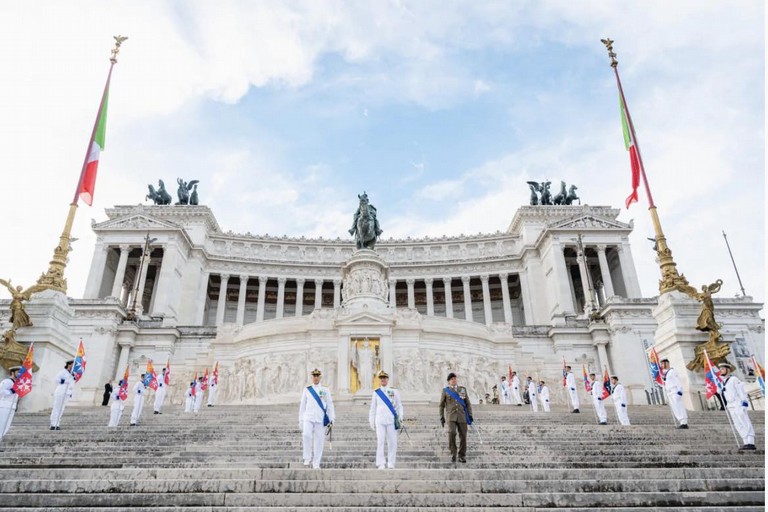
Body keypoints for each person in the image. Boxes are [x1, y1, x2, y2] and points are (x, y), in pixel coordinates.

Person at [299, 368, 335, 469]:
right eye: (314, 376)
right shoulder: (307, 389)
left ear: (320, 377)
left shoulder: (325, 390)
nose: (315, 377)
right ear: (312, 377)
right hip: (308, 417)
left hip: (320, 418)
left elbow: (330, 404)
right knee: (306, 435)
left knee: (319, 441)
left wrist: (332, 418)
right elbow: (302, 405)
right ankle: (307, 457)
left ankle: (316, 463)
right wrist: (300, 419)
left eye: (317, 376)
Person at [369, 370, 403, 469]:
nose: (383, 380)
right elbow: (373, 407)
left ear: (388, 379)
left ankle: (391, 462)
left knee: (392, 442)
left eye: (384, 378)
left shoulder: (394, 391)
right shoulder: (376, 392)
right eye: (381, 378)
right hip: (379, 420)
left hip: (391, 420)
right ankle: (381, 463)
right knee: (380, 441)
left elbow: (399, 405)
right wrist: (371, 420)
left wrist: (400, 417)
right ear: (379, 380)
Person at [719, 362, 756, 450]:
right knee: (737, 424)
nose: (721, 370)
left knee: (744, 421)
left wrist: (744, 403)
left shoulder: (734, 379)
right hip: (730, 405)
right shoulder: (723, 381)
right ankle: (745, 442)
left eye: (723, 369)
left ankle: (751, 442)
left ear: (728, 370)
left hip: (738, 403)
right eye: (720, 369)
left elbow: (741, 391)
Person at [438, 372, 473, 463]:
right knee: (452, 433)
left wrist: (470, 414)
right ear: (449, 381)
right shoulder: (446, 391)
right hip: (451, 416)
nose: (454, 380)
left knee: (463, 436)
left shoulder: (462, 389)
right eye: (452, 379)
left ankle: (462, 455)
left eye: (455, 378)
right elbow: (441, 405)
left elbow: (467, 403)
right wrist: (441, 416)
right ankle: (453, 453)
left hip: (462, 416)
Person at [660, 358, 688, 429]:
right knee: (675, 407)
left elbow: (677, 381)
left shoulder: (672, 371)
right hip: (669, 392)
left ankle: (684, 422)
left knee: (679, 406)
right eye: (661, 364)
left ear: (667, 363)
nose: (662, 365)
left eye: (663, 363)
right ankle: (681, 421)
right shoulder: (664, 374)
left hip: (675, 391)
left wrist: (680, 390)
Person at [50, 360, 74, 430]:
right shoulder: (63, 372)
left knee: (61, 409)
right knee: (57, 407)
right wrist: (63, 381)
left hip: (67, 393)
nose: (74, 366)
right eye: (73, 364)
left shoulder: (72, 374)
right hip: (61, 391)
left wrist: (70, 392)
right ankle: (53, 424)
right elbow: (56, 379)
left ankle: (57, 423)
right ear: (69, 365)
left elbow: (71, 385)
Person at [0, 367, 19, 440]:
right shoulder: (7, 381)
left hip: (12, 406)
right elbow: (1, 391)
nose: (19, 374)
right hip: (4, 406)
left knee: (6, 427)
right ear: (12, 373)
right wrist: (11, 391)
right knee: (1, 424)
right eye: (17, 372)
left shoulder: (17, 384)